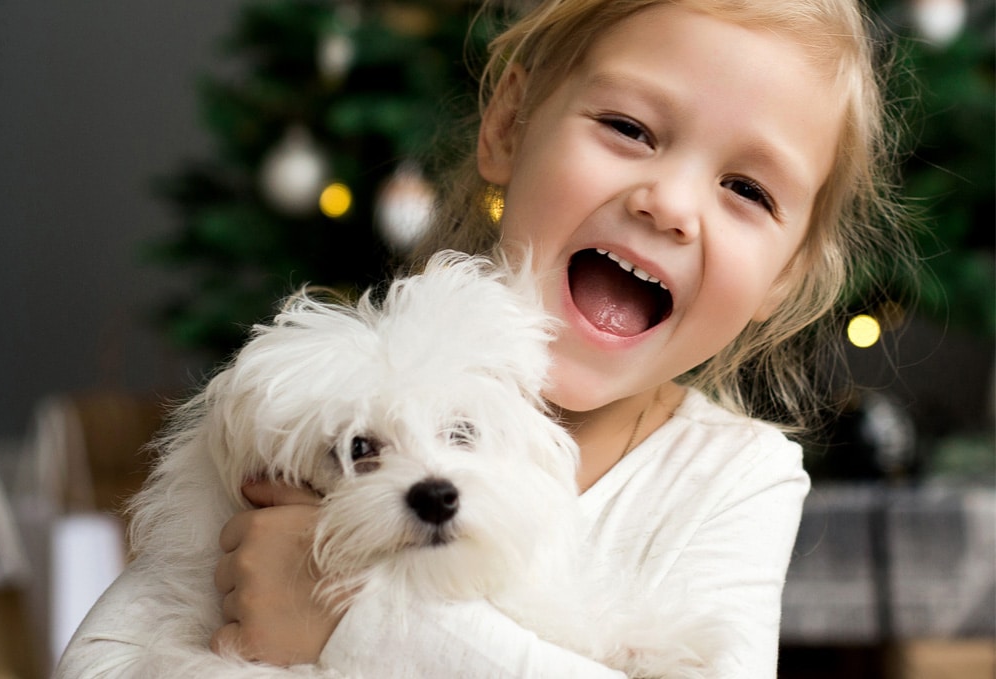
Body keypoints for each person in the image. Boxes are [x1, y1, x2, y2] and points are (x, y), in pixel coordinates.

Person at [57, 0, 915, 676]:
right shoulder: (323, 403)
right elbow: (101, 662)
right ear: (508, 125)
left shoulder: (736, 478)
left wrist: (352, 620)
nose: (671, 203)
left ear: (787, 277)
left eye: (747, 189)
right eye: (629, 129)